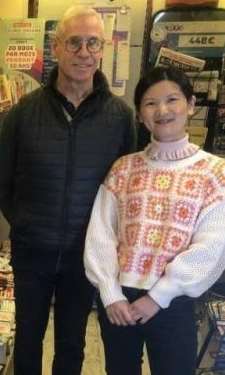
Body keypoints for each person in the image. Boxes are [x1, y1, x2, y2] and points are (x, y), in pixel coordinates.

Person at [0, 5, 135, 375]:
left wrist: (105, 243)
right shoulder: (23, 113)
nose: (84, 52)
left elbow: (127, 186)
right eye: (74, 42)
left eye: (93, 43)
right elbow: (3, 180)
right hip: (32, 252)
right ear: (56, 47)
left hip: (85, 256)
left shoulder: (120, 117)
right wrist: (25, 224)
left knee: (72, 343)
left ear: (103, 49)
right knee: (27, 338)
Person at [85, 66, 225, 375]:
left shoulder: (214, 173)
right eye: (150, 103)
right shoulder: (123, 169)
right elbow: (100, 234)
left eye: (172, 99)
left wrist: (158, 296)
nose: (161, 110)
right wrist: (109, 292)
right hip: (119, 301)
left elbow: (213, 245)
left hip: (172, 303)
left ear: (190, 105)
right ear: (139, 114)